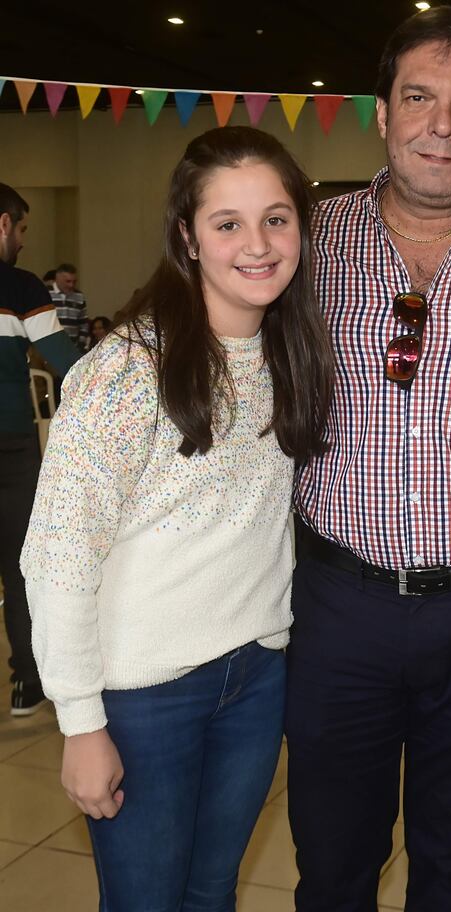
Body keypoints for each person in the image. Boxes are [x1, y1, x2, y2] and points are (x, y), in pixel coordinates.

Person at [20, 126, 334, 911]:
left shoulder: (289, 349)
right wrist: (82, 722)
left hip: (255, 676)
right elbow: (58, 556)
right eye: (227, 223)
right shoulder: (128, 370)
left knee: (211, 893)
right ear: (188, 238)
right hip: (143, 696)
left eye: (276, 218)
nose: (257, 245)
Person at [288, 6, 451, 911]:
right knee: (334, 861)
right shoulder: (306, 240)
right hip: (337, 608)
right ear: (380, 113)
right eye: (419, 97)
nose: (442, 124)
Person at [0, 182, 80, 716]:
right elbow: (62, 359)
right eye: (22, 228)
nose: (24, 240)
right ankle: (28, 681)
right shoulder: (20, 285)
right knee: (18, 564)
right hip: (10, 445)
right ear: (4, 225)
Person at [50, 261, 89, 353]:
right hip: (51, 347)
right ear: (57, 279)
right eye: (67, 281)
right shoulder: (46, 294)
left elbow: (83, 323)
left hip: (72, 348)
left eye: (74, 282)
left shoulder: (79, 296)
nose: (71, 285)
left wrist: (81, 344)